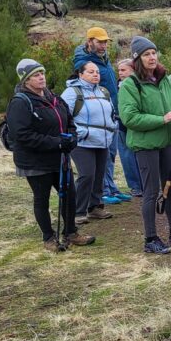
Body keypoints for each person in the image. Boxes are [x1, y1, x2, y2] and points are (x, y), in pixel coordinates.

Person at [5, 59, 95, 251]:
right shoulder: (20, 102)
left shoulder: (54, 97)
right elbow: (22, 135)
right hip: (35, 162)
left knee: (70, 195)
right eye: (36, 75)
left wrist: (71, 138)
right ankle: (48, 238)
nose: (41, 77)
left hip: (59, 158)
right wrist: (56, 142)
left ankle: (70, 232)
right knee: (42, 198)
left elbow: (69, 121)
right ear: (26, 80)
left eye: (42, 73)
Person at [118, 36, 171, 255]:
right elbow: (130, 118)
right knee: (151, 192)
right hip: (145, 146)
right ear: (137, 59)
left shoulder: (164, 80)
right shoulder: (130, 85)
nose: (152, 57)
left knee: (169, 188)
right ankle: (150, 238)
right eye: (146, 54)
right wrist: (163, 118)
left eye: (153, 53)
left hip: (167, 143)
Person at [72, 26, 129, 204]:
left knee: (111, 153)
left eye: (105, 42)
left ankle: (111, 187)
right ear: (90, 42)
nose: (104, 45)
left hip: (111, 112)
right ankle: (103, 191)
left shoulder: (103, 59)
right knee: (101, 154)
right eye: (100, 42)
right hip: (96, 115)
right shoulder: (84, 62)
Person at [61, 61, 118, 226]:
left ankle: (94, 207)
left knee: (99, 175)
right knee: (87, 175)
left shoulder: (103, 91)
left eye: (97, 72)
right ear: (81, 74)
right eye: (91, 72)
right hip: (82, 143)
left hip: (103, 140)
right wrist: (81, 133)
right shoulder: (72, 93)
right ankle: (78, 211)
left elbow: (111, 113)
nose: (95, 75)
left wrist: (113, 127)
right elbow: (64, 117)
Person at [115, 59, 144, 196]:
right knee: (127, 157)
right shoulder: (117, 85)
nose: (120, 73)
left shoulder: (141, 84)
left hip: (138, 124)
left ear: (133, 70)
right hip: (122, 125)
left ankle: (146, 184)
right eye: (119, 70)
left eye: (123, 70)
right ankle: (135, 186)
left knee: (141, 155)